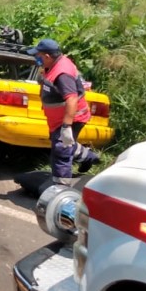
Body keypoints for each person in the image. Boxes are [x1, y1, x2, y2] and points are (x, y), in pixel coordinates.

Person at [27, 38, 99, 184]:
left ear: (47, 56)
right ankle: (89, 157)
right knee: (65, 144)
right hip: (57, 120)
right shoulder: (52, 64)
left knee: (61, 150)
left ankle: (61, 188)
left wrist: (66, 127)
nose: (36, 58)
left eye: (38, 56)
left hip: (70, 119)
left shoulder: (62, 73)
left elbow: (71, 99)